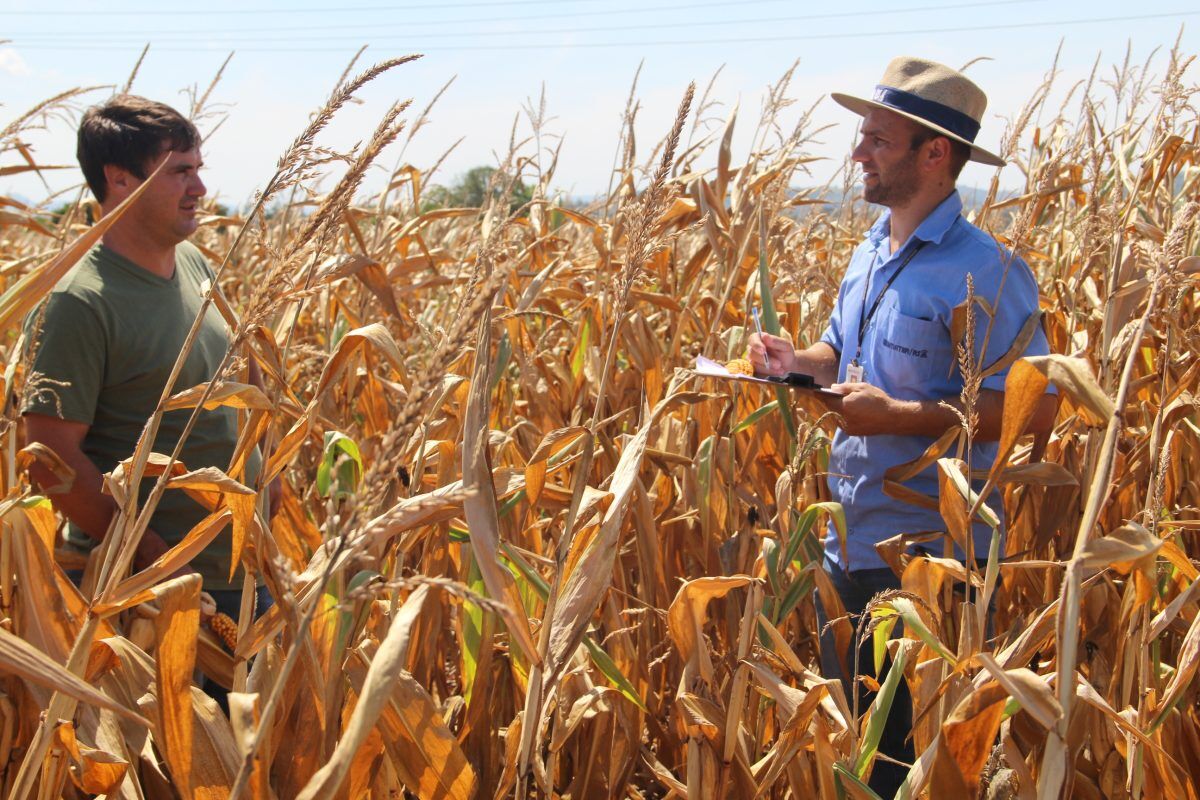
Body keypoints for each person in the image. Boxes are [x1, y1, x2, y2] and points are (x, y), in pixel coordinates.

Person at [748, 57, 1056, 793]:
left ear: (934, 154)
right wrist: (796, 360)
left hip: (932, 564)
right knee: (858, 754)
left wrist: (901, 418)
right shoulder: (870, 252)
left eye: (878, 140)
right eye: (863, 137)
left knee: (913, 768)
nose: (858, 153)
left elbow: (1033, 408)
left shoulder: (988, 273)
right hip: (845, 546)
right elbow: (839, 355)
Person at [21, 95, 267, 617]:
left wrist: (270, 480)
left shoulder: (195, 262)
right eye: (180, 172)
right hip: (148, 597)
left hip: (240, 570)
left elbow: (242, 376)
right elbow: (51, 459)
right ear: (121, 179)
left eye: (198, 169)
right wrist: (154, 557)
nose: (199, 188)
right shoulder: (79, 302)